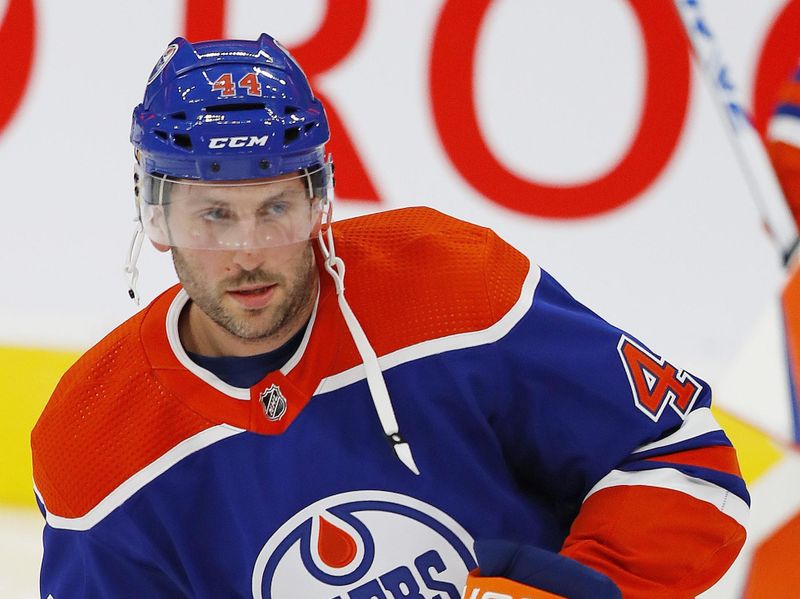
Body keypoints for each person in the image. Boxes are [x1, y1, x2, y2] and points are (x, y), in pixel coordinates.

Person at [32, 34, 748, 599]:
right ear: (157, 216)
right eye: (214, 215)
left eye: (275, 208)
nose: (247, 252)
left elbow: (687, 458)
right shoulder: (93, 445)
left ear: (319, 199)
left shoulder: (452, 286)